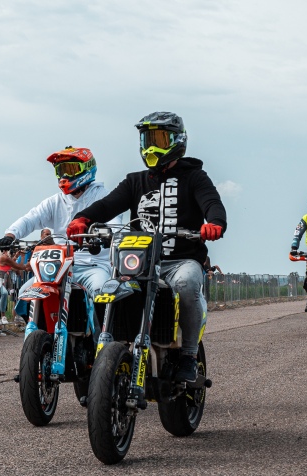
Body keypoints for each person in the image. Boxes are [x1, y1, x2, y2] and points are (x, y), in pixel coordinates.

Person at [66, 112, 228, 383]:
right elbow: (107, 205)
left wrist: (214, 223)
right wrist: (83, 218)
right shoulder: (135, 181)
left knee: (187, 284)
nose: (152, 147)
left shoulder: (195, 177)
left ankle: (189, 355)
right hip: (138, 262)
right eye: (147, 140)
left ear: (178, 141)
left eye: (160, 140)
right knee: (110, 289)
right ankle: (108, 350)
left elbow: (212, 203)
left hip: (181, 260)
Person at [0, 147, 123, 306]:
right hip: (59, 266)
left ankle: (99, 323)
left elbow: (116, 226)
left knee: (102, 294)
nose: (65, 176)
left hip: (93, 265)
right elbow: (31, 218)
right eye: (61, 170)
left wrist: (108, 235)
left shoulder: (103, 196)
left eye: (71, 169)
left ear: (87, 168)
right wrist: (11, 235)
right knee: (24, 294)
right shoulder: (55, 201)